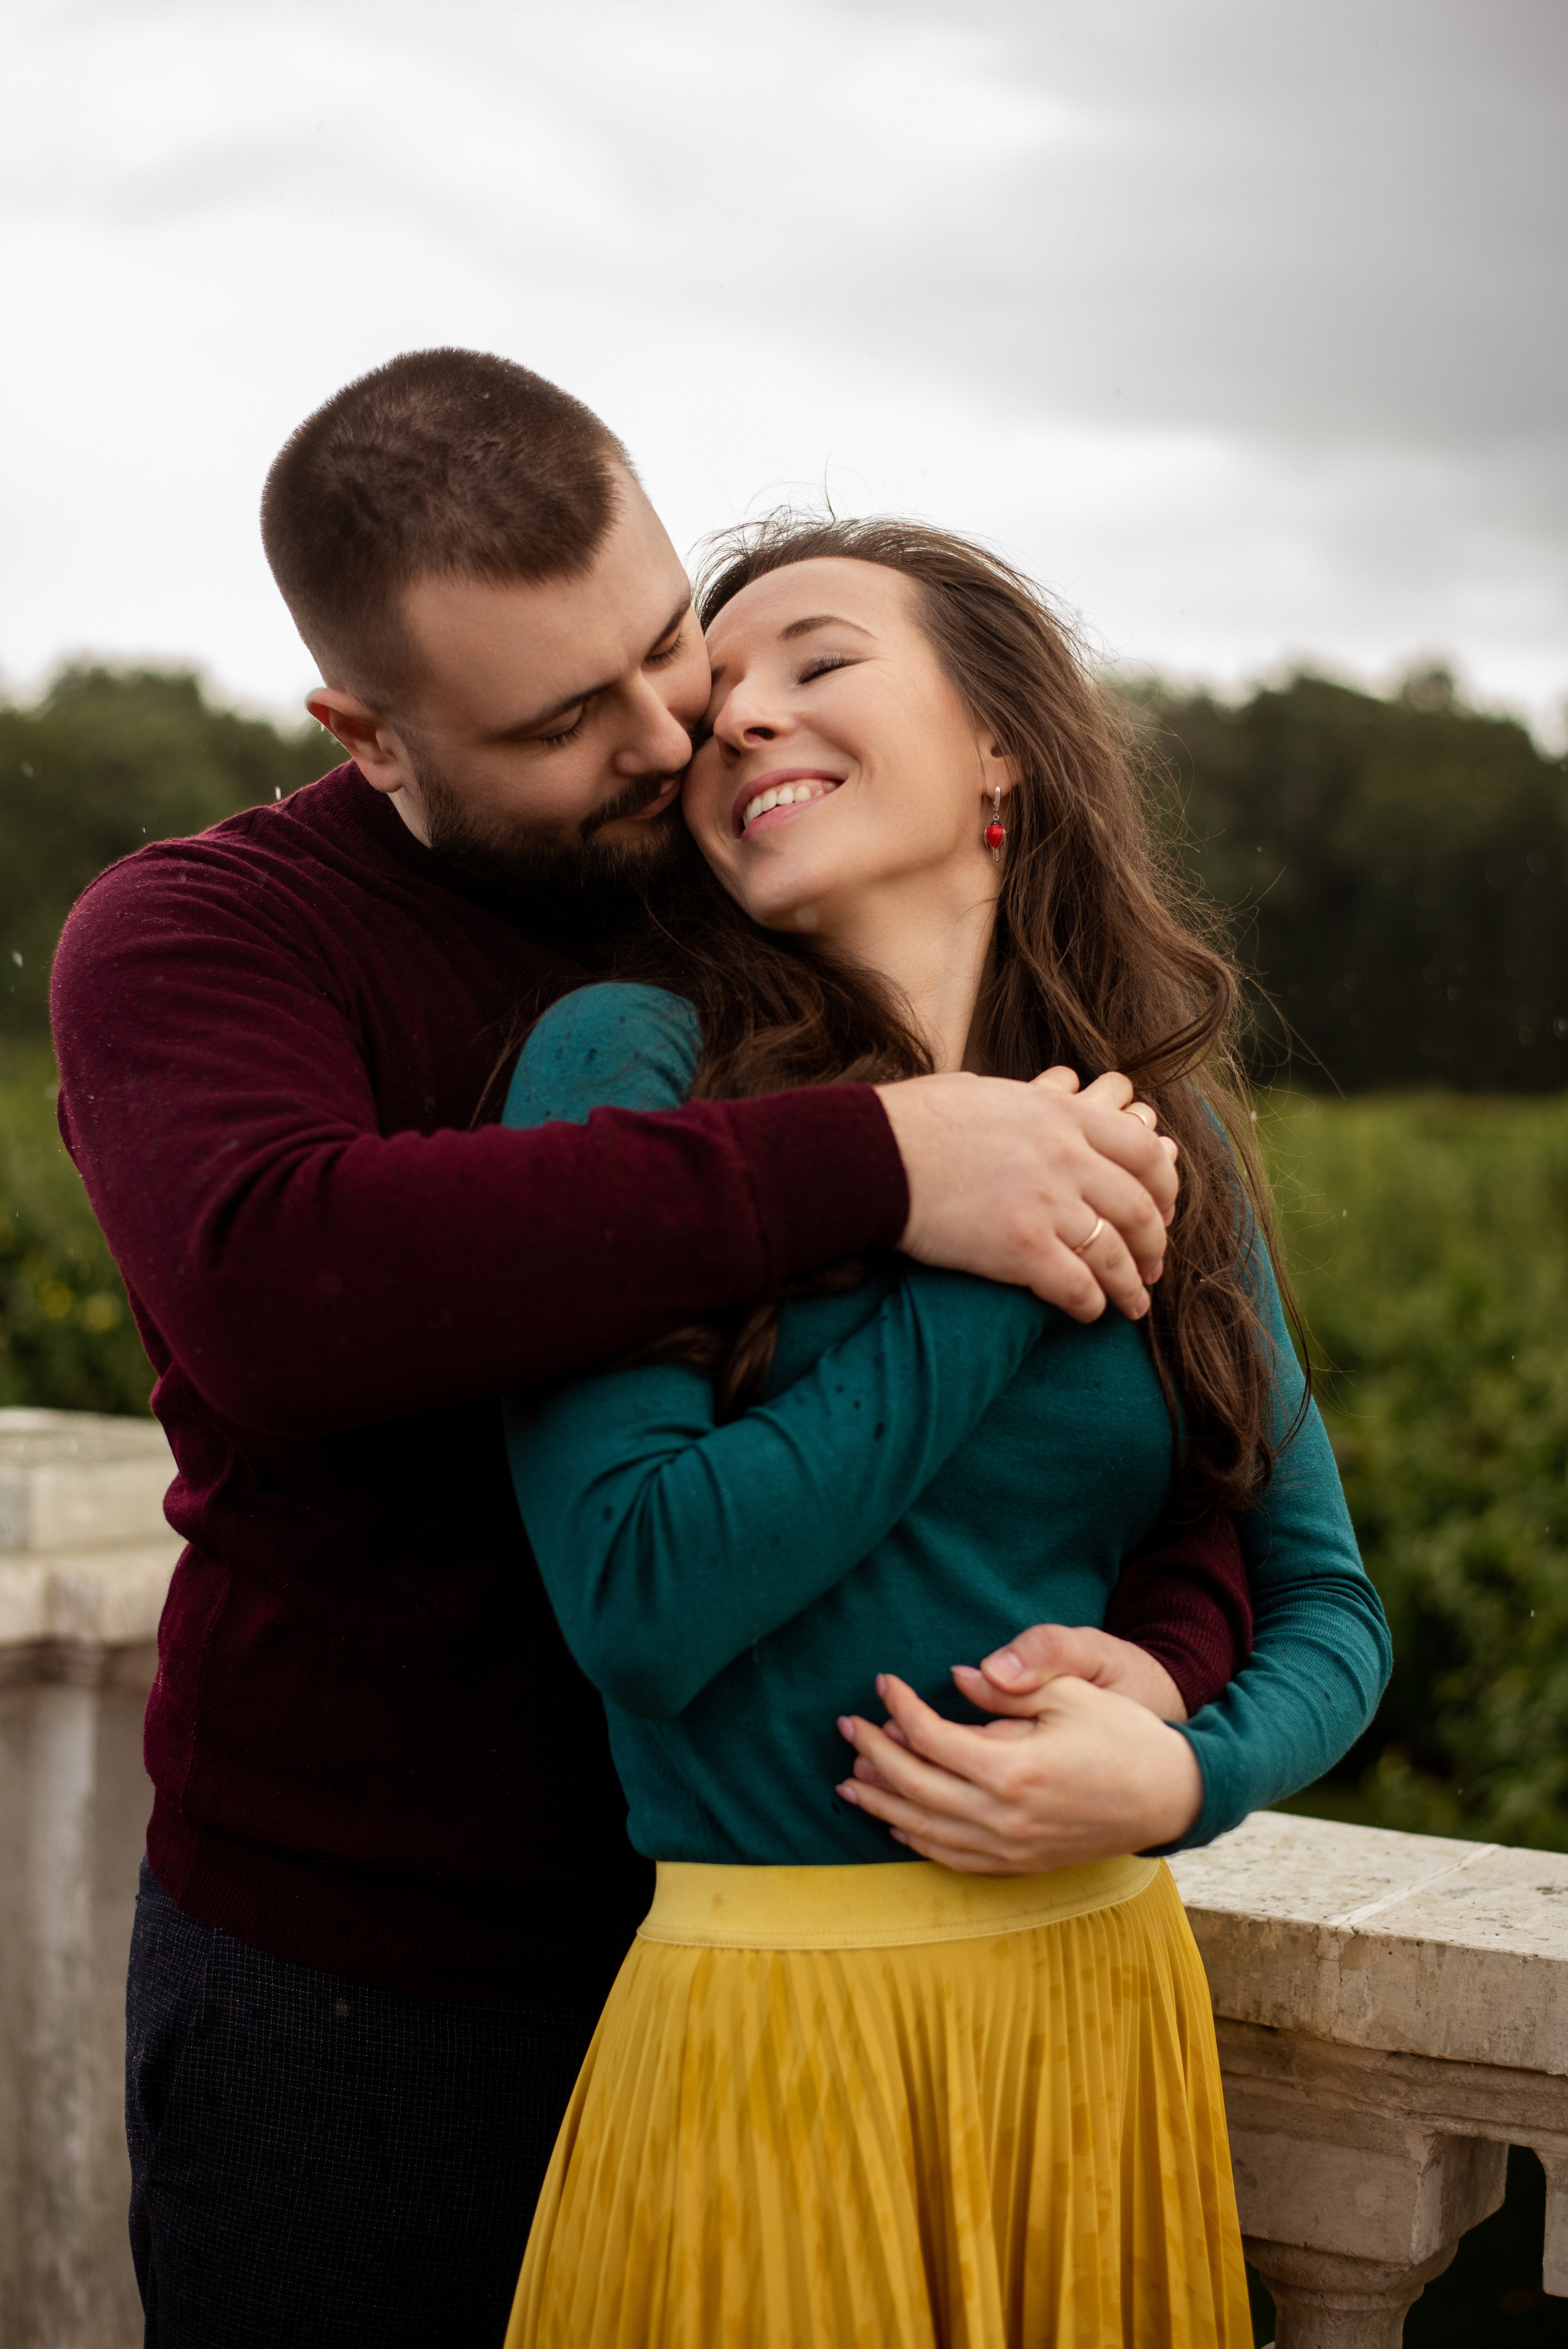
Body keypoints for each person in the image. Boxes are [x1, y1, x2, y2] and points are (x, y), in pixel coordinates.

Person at [47, 353, 1217, 2349]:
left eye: (668, 641)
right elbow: (280, 1280)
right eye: (561, 719)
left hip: (799, 1970)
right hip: (365, 1990)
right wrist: (881, 1164)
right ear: (368, 732)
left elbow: (1140, 1420)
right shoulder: (202, 934)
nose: (668, 734)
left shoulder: (758, 873)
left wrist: (1175, 1674)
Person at [499, 516, 1392, 2346]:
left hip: (1101, 2025)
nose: (742, 716)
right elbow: (638, 1599)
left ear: (1001, 744)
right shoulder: (628, 1059)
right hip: (773, 2034)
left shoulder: (1165, 1136)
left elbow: (1330, 1605)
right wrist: (997, 1254)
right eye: (715, 702)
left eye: (817, 661)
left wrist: (1186, 1776)